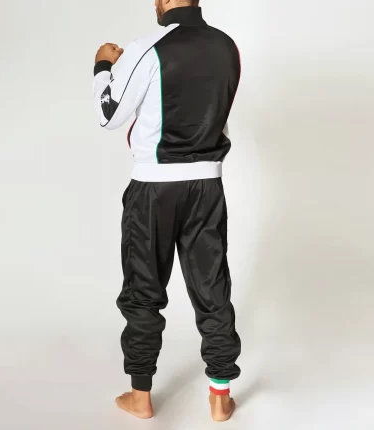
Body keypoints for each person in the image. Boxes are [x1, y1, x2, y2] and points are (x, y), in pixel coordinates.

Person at [93, 0, 241, 422]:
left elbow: (108, 114)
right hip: (207, 185)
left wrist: (103, 66)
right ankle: (220, 397)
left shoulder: (147, 47)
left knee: (144, 289)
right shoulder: (227, 47)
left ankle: (141, 396)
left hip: (153, 188)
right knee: (212, 287)